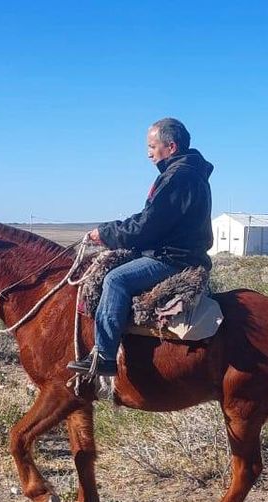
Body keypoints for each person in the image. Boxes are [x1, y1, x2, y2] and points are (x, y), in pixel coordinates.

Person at [67, 117, 214, 377]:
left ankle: (104, 355)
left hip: (173, 257)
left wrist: (106, 233)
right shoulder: (189, 173)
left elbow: (148, 225)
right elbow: (152, 220)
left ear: (171, 146)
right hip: (180, 251)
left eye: (152, 146)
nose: (148, 153)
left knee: (115, 279)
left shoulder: (177, 177)